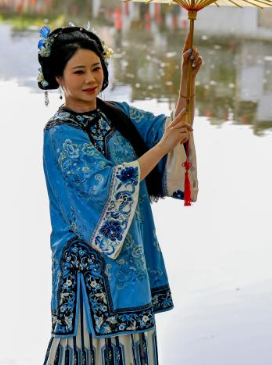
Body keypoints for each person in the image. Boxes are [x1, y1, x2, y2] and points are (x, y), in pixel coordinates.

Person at [37, 26, 201, 364]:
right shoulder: (60, 133)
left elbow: (174, 130)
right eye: (79, 71)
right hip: (88, 273)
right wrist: (163, 145)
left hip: (129, 262)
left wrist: (188, 78)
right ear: (58, 77)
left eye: (96, 68)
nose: (90, 79)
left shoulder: (116, 114)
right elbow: (110, 185)